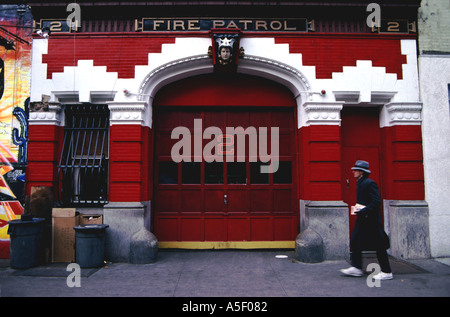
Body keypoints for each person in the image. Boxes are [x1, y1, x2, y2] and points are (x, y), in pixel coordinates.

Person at [340, 160, 393, 280]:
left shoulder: (370, 183)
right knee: (355, 241)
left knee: (379, 245)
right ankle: (357, 268)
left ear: (362, 172)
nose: (353, 171)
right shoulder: (360, 183)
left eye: (356, 170)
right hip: (363, 219)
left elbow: (376, 201)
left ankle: (386, 271)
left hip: (372, 220)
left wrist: (363, 210)